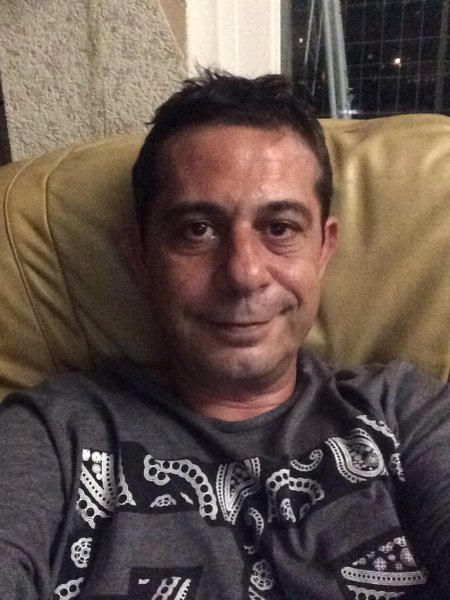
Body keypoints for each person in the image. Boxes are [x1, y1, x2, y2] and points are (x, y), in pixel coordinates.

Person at [0, 70, 449, 600]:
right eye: (198, 229)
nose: (243, 274)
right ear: (140, 258)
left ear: (323, 250)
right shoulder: (54, 435)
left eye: (279, 228)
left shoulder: (406, 413)